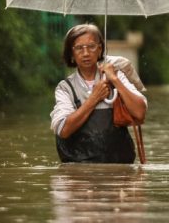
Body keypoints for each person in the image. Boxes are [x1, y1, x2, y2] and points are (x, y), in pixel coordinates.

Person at [50, 24, 147, 163]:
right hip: (80, 175)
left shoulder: (115, 76)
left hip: (119, 171)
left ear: (100, 48)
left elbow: (140, 113)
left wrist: (115, 80)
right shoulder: (65, 88)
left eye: (91, 46)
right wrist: (94, 98)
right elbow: (63, 129)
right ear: (71, 54)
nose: (86, 53)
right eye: (79, 48)